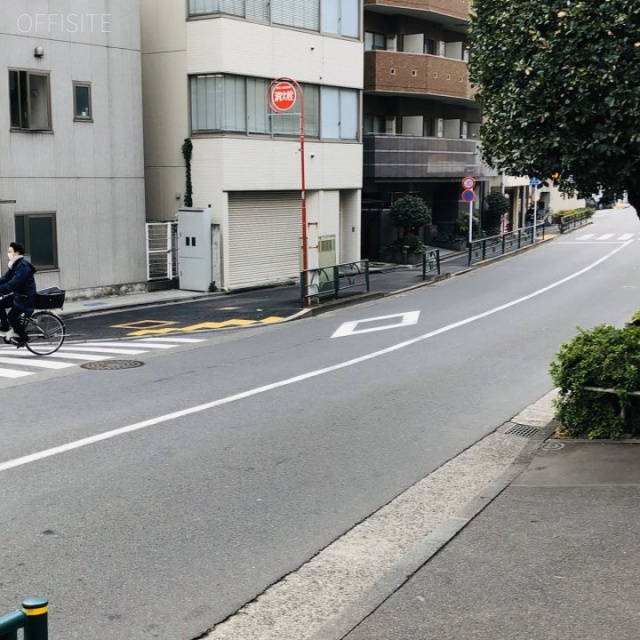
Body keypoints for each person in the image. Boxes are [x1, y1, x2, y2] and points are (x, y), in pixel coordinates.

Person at [0, 242, 37, 347]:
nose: (8, 253)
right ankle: (5, 326)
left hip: (26, 298)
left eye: (10, 251)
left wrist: (1, 290)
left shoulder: (23, 266)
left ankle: (23, 336)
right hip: (19, 296)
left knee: (11, 316)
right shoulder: (15, 264)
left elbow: (14, 283)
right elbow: (5, 278)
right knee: (0, 304)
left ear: (16, 253)